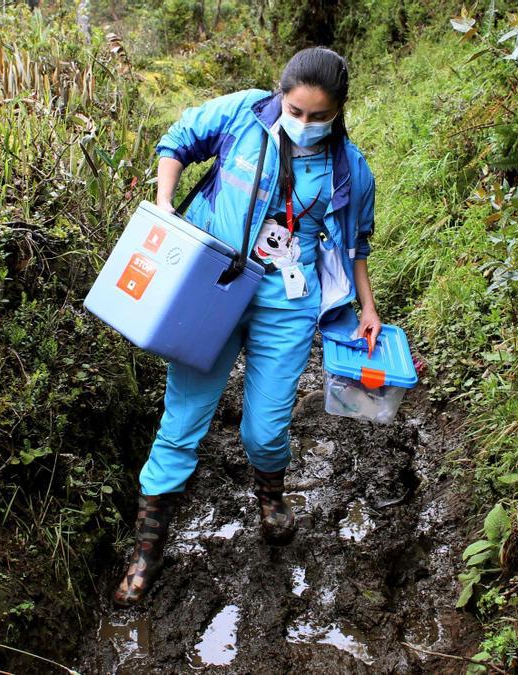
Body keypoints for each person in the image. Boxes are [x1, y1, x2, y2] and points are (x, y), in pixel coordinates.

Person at [113, 46, 380, 607]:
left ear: (338, 112)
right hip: (210, 288)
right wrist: (164, 204)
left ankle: (272, 493)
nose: (303, 125)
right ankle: (147, 551)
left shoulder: (350, 170)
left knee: (264, 429)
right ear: (280, 97)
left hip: (287, 303)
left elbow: (357, 245)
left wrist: (369, 307)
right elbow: (177, 143)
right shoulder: (240, 115)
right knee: (183, 419)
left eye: (318, 117)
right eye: (295, 111)